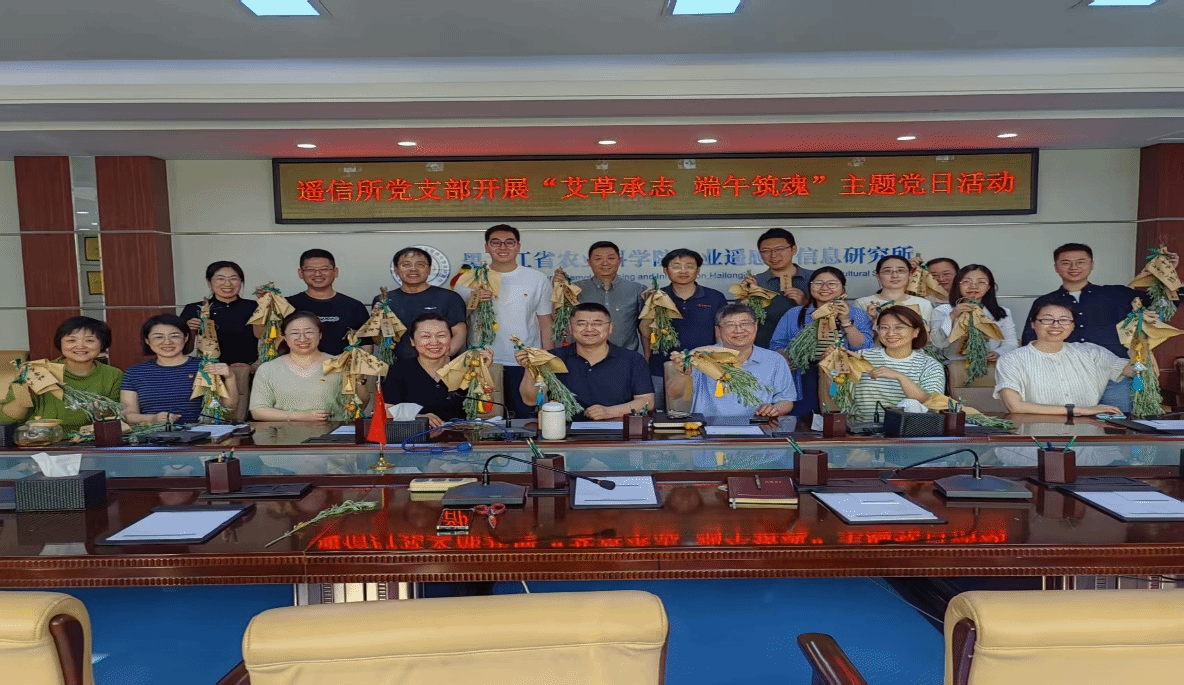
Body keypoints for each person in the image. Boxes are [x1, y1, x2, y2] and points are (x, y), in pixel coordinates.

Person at [1022, 242, 1179, 411]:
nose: (1074, 267)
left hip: (1117, 376)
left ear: (1092, 264)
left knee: (1118, 420)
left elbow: (1164, 304)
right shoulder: (1046, 302)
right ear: (1056, 267)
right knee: (1069, 421)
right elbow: (1030, 339)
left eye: (1081, 262)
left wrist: (1167, 271)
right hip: (1067, 376)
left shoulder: (1117, 294)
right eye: (1066, 263)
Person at [452, 224, 553, 418]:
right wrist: (473, 302)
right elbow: (458, 323)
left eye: (509, 242)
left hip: (524, 361)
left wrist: (547, 359)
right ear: (487, 247)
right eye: (496, 243)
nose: (503, 247)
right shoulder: (467, 280)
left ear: (518, 247)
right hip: (483, 362)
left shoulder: (536, 279)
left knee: (527, 418)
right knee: (487, 421)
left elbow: (545, 322)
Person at [514, 303, 654, 420]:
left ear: (610, 327)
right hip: (563, 431)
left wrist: (609, 412)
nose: (589, 329)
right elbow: (531, 400)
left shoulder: (632, 360)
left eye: (597, 324)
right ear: (570, 328)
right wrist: (530, 368)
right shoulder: (551, 358)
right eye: (581, 324)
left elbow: (647, 401)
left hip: (618, 432)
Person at [995, 302, 1132, 417]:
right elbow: (1015, 406)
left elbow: (1133, 370)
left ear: (1073, 326)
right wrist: (1079, 410)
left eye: (1064, 320)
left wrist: (1140, 339)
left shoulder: (1091, 353)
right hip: (1035, 433)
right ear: (1033, 323)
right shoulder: (1011, 360)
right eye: (1047, 319)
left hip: (1087, 432)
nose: (1056, 325)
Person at [770, 267, 873, 417]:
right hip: (803, 376)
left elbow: (864, 346)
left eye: (832, 284)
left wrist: (845, 320)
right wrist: (787, 356)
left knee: (835, 418)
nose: (824, 288)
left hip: (839, 376)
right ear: (810, 287)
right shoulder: (794, 314)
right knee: (803, 420)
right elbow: (776, 345)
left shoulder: (855, 313)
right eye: (818, 283)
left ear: (842, 288)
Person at [667, 304, 797, 419]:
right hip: (708, 428)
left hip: (758, 428)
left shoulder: (775, 360)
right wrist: (682, 374)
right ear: (718, 330)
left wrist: (774, 409)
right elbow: (674, 395)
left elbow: (786, 400)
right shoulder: (700, 356)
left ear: (756, 325)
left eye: (745, 323)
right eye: (730, 325)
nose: (739, 330)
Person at [641, 248, 729, 407]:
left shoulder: (714, 297)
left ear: (698, 270)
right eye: (676, 266)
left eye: (689, 266)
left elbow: (721, 332)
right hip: (661, 369)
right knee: (659, 412)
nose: (683, 271)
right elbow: (646, 333)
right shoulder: (657, 297)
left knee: (702, 411)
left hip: (704, 369)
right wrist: (647, 361)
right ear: (666, 270)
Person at [1, 317, 123, 431]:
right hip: (42, 438)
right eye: (71, 340)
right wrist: (23, 393)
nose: (80, 346)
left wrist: (101, 410)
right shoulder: (38, 371)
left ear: (102, 344)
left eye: (89, 340)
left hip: (90, 440)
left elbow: (116, 417)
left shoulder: (113, 375)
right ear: (60, 343)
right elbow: (6, 419)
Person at [122, 314, 236, 425]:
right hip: (155, 435)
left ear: (186, 338)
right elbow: (128, 415)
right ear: (147, 341)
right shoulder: (135, 373)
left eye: (175, 336)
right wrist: (153, 418)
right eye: (158, 337)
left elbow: (228, 409)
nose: (167, 342)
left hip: (203, 433)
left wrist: (230, 377)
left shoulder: (205, 367)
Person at [381, 313, 491, 428]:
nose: (434, 342)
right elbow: (385, 411)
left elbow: (485, 410)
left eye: (441, 335)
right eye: (425, 336)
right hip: (415, 437)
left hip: (460, 436)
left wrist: (482, 373)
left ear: (451, 339)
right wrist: (418, 418)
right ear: (412, 341)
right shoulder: (399, 370)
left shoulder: (466, 368)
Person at [250, 311, 356, 422]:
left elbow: (355, 405)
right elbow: (258, 411)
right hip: (284, 432)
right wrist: (299, 416)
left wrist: (360, 380)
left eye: (309, 332)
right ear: (284, 337)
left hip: (331, 431)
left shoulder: (340, 364)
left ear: (320, 334)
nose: (302, 338)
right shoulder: (268, 369)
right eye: (295, 333)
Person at [850, 306, 946, 421]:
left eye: (899, 327)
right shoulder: (861, 356)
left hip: (908, 430)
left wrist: (900, 377)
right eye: (884, 328)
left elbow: (934, 403)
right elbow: (836, 392)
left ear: (916, 332)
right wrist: (833, 369)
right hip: (860, 428)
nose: (890, 333)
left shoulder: (929, 365)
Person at [373, 247, 467, 360]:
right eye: (406, 265)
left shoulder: (449, 298)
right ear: (396, 270)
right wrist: (375, 321)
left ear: (429, 269)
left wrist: (444, 358)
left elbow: (459, 333)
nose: (413, 269)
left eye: (420, 265)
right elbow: (379, 341)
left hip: (440, 365)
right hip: (396, 365)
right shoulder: (384, 300)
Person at [563, 241, 645, 352]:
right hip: (584, 355)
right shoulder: (574, 290)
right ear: (589, 262)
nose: (605, 263)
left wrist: (647, 357)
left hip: (626, 356)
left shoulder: (637, 290)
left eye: (611, 258)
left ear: (619, 260)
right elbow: (561, 322)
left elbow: (645, 329)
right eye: (598, 259)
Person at [285, 248, 370, 356]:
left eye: (324, 269)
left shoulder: (354, 306)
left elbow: (366, 344)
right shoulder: (287, 305)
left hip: (344, 366)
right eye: (310, 269)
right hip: (298, 366)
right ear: (301, 273)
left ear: (335, 272)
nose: (317, 274)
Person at [929, 264, 1018, 362]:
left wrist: (998, 352)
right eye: (966, 281)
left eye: (981, 282)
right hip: (953, 364)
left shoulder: (1002, 312)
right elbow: (938, 343)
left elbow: (1011, 343)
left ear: (989, 287)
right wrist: (953, 316)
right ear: (958, 285)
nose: (973, 286)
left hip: (988, 364)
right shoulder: (942, 310)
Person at [178, 260, 258, 366]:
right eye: (220, 279)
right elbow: (184, 350)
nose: (227, 284)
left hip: (248, 369)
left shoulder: (255, 307)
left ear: (241, 281)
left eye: (233, 278)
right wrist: (191, 332)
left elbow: (269, 341)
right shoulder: (195, 308)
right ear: (209, 282)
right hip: (209, 370)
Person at [746, 228, 814, 349]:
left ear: (793, 249)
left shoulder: (816, 278)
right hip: (766, 350)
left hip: (811, 350)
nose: (773, 255)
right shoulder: (754, 283)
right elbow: (740, 319)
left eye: (779, 249)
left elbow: (835, 315)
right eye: (766, 251)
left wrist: (806, 304)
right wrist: (748, 297)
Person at [853, 255, 933, 325]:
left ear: (910, 275)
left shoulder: (923, 304)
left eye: (900, 271)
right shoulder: (862, 303)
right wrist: (875, 320)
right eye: (887, 271)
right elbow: (858, 337)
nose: (894, 275)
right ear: (877, 275)